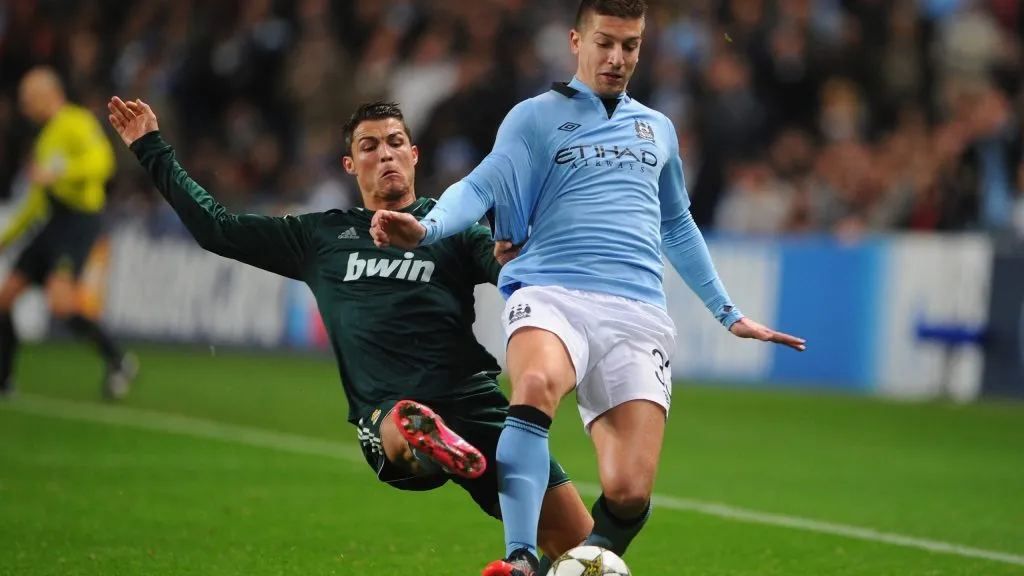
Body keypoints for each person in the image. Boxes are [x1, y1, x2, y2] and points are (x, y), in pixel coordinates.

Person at [368, 1, 808, 575]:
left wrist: (728, 312)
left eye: (630, 45)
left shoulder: (658, 128)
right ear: (577, 41)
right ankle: (521, 559)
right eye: (605, 42)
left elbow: (677, 224)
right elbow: (478, 186)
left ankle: (577, 565)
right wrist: (426, 229)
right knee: (534, 384)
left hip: (637, 311)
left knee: (628, 491)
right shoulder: (534, 117)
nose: (617, 57)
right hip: (551, 292)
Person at [105, 97, 593, 562]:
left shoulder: (452, 228)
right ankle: (426, 441)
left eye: (396, 142)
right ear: (350, 165)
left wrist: (516, 255)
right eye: (369, 146)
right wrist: (151, 148)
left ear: (414, 155)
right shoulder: (321, 236)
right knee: (402, 425)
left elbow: (512, 274)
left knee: (581, 547)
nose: (386, 154)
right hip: (387, 408)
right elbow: (219, 228)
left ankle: (443, 450)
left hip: (473, 401)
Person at [0, 67, 135, 400]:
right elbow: (35, 201)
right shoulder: (45, 138)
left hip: (80, 220)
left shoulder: (77, 122)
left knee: (61, 303)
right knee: (4, 298)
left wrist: (59, 172)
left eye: (28, 97)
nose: (24, 105)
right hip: (53, 221)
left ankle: (118, 360)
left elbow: (102, 163)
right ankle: (4, 380)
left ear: (49, 94)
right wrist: (5, 239)